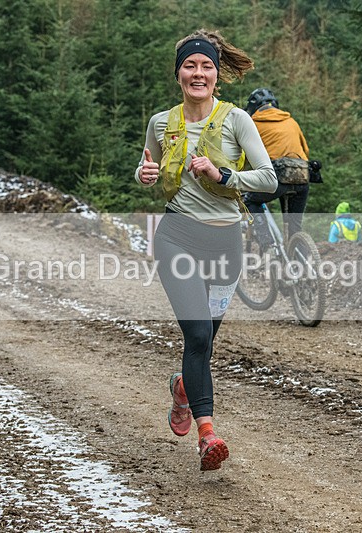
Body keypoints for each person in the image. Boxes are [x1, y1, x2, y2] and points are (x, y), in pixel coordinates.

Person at [135, 29, 276, 471]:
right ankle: (208, 435)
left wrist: (224, 176)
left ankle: (182, 387)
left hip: (226, 243)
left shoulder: (237, 120)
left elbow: (268, 180)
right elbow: (149, 166)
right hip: (177, 236)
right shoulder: (162, 122)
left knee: (204, 345)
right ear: (178, 73)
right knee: (196, 336)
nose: (198, 73)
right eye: (190, 65)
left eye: (207, 66)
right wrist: (143, 174)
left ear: (217, 75)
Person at [243, 88, 311, 247]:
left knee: (251, 201)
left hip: (275, 177)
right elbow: (305, 150)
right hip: (301, 176)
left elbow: (244, 156)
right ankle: (302, 265)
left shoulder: (252, 124)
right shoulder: (291, 121)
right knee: (295, 228)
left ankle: (268, 245)